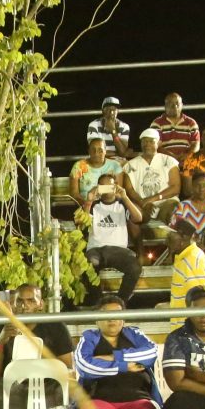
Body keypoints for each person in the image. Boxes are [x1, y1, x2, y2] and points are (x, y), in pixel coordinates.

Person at [81, 174, 142, 306]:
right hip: (96, 250)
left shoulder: (122, 204)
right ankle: (98, 303)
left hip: (119, 251)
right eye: (103, 186)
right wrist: (89, 201)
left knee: (135, 267)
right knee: (89, 264)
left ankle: (119, 302)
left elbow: (138, 218)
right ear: (98, 187)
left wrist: (125, 197)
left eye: (110, 185)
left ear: (115, 187)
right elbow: (81, 225)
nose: (107, 189)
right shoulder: (93, 205)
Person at [122, 127, 180, 224]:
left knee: (172, 209)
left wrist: (152, 199)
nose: (147, 144)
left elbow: (175, 188)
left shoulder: (169, 161)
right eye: (144, 141)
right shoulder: (130, 165)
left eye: (151, 141)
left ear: (158, 143)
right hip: (141, 203)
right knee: (134, 214)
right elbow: (129, 190)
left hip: (165, 201)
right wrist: (142, 202)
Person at [166, 220, 205, 326]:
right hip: (182, 324)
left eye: (172, 234)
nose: (167, 238)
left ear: (184, 237)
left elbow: (199, 299)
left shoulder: (192, 259)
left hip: (188, 328)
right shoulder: (183, 256)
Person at [68, 135, 123, 203]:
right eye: (93, 150)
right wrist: (88, 205)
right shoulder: (79, 166)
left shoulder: (115, 166)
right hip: (85, 206)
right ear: (88, 151)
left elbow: (119, 193)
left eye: (100, 150)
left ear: (105, 151)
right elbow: (74, 193)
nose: (96, 153)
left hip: (110, 206)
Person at [151, 92, 200, 164]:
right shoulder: (157, 123)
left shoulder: (191, 123)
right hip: (165, 162)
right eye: (170, 103)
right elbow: (156, 146)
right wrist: (173, 157)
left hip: (187, 161)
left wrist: (187, 155)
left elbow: (196, 145)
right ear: (165, 106)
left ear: (182, 105)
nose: (174, 106)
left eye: (177, 103)